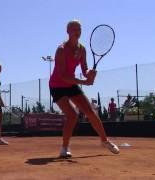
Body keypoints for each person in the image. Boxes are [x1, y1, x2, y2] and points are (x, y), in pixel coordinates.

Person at [49, 19, 119, 158]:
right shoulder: (61, 50)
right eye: (74, 29)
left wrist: (89, 73)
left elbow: (84, 68)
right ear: (68, 31)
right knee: (72, 115)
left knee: (91, 112)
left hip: (71, 84)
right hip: (57, 85)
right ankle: (65, 147)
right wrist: (83, 81)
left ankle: (104, 141)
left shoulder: (82, 49)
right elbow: (63, 75)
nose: (77, 31)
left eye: (79, 29)